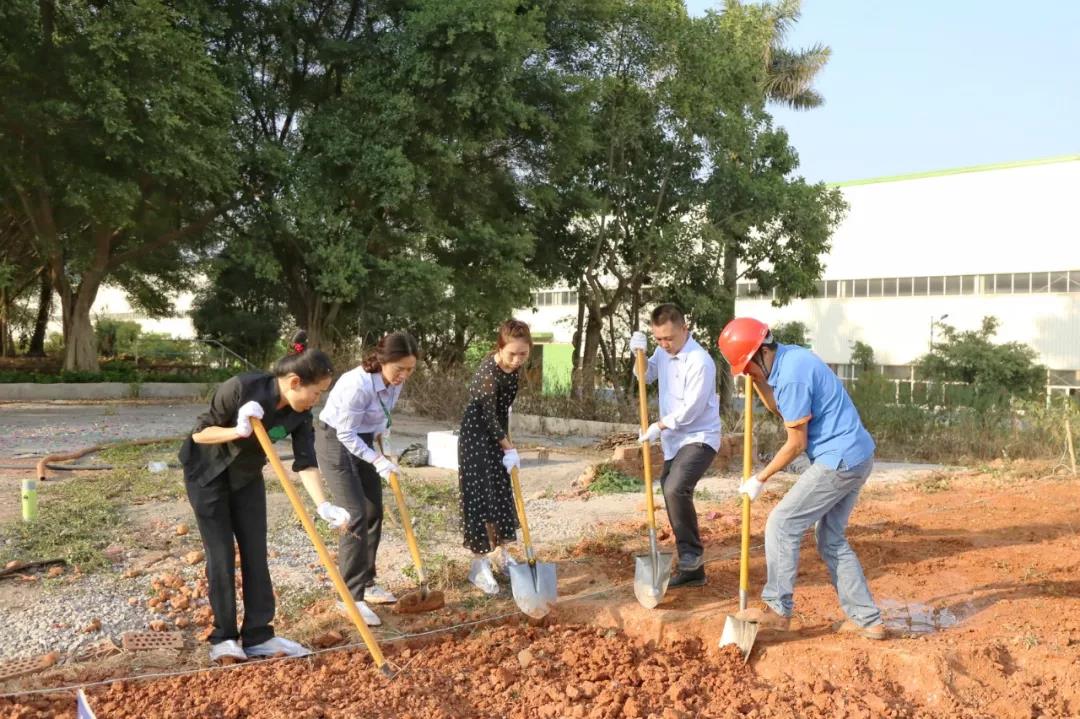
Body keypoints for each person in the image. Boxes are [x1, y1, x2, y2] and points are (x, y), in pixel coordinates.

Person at [179, 331, 349, 664]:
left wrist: (323, 505)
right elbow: (200, 434)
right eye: (316, 392)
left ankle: (259, 635)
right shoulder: (241, 388)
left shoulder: (300, 414)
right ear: (295, 382)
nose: (317, 400)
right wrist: (237, 430)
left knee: (256, 551)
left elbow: (305, 462)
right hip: (207, 475)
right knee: (221, 554)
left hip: (246, 478)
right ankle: (224, 638)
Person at [717, 317, 885, 639]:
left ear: (762, 352)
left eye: (747, 366)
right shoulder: (790, 357)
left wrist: (760, 478)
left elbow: (796, 443)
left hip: (838, 461)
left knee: (782, 524)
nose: (747, 373)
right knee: (830, 538)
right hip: (858, 455)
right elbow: (778, 408)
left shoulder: (792, 375)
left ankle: (778, 610)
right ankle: (868, 621)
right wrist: (755, 379)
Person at [316, 331, 419, 626]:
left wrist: (385, 452)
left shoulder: (395, 382)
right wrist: (375, 460)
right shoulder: (357, 385)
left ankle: (367, 582)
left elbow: (381, 421)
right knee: (355, 514)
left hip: (364, 440)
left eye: (410, 369)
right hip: (336, 440)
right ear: (383, 360)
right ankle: (349, 597)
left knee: (373, 511)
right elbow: (345, 433)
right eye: (399, 369)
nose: (404, 375)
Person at [630, 304, 722, 588]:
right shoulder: (662, 352)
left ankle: (691, 555)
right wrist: (639, 355)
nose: (664, 344)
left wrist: (658, 426)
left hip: (700, 436)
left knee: (675, 488)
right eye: (658, 339)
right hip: (674, 440)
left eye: (669, 338)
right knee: (669, 487)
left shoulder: (700, 361)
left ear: (684, 329)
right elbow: (645, 376)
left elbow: (692, 410)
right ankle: (693, 570)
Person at [457, 320, 531, 594]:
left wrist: (507, 443)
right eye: (512, 353)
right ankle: (479, 564)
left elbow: (502, 411)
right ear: (500, 348)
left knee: (500, 493)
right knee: (481, 497)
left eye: (523, 354)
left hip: (497, 433)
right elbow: (488, 417)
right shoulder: (488, 373)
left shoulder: (514, 370)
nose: (517, 359)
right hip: (476, 438)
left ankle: (502, 555)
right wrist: (508, 448)